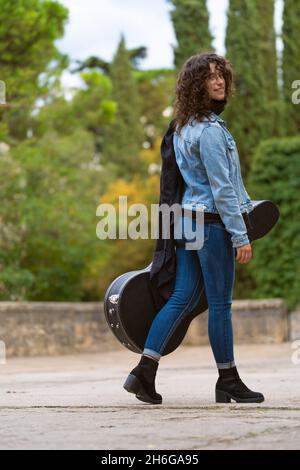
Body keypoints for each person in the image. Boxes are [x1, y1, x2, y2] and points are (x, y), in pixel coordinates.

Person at [123, 52, 264, 405]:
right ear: (196, 85)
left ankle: (144, 372)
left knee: (182, 297)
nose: (219, 81)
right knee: (220, 305)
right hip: (211, 225)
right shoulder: (211, 132)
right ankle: (228, 380)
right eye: (211, 77)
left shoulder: (182, 126)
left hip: (186, 223)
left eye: (222, 76)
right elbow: (222, 189)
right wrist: (240, 235)